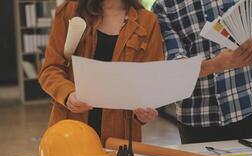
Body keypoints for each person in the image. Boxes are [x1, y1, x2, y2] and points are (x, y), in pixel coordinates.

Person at [152, 0, 252, 144]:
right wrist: (217, 64)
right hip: (197, 120)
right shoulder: (163, 6)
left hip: (247, 108)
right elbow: (176, 69)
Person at [39, 0, 164, 143]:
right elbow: (50, 69)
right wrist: (68, 95)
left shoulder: (147, 21)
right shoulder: (70, 12)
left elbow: (150, 82)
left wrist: (143, 113)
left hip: (120, 137)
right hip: (70, 129)